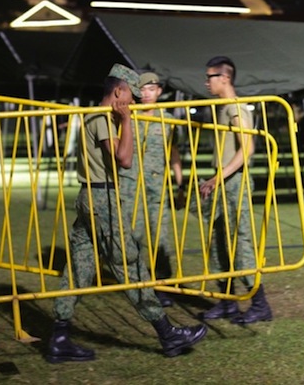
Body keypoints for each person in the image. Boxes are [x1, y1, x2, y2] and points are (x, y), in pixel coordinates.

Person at [47, 64, 207, 363]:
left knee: (80, 266)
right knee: (129, 264)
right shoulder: (102, 119)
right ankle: (167, 333)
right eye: (131, 95)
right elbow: (124, 159)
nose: (133, 101)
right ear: (119, 91)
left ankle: (59, 337)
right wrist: (127, 121)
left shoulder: (96, 116)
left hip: (90, 197)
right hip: (102, 199)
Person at [198, 56, 273, 324]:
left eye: (210, 77)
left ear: (225, 78)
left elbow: (247, 149)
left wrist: (217, 178)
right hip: (224, 181)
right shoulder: (223, 107)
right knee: (220, 242)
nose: (206, 82)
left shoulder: (236, 108)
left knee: (240, 242)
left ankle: (260, 304)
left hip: (234, 182)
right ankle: (227, 301)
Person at [136, 72, 183, 307]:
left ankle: (162, 284)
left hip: (157, 189)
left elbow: (173, 153)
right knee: (132, 236)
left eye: (151, 89)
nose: (146, 94)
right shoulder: (129, 117)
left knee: (159, 238)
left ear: (159, 92)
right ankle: (136, 283)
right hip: (132, 188)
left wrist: (180, 183)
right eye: (142, 89)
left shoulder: (167, 120)